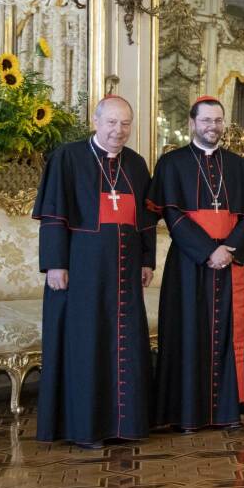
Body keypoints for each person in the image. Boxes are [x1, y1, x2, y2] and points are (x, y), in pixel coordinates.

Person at [33, 96, 157, 448]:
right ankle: (85, 427)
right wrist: (55, 263)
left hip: (125, 270)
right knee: (86, 343)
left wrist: (147, 260)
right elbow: (54, 213)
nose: (119, 131)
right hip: (82, 270)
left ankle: (126, 424)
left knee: (126, 343)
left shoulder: (136, 163)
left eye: (125, 124)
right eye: (112, 123)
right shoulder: (67, 158)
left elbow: (145, 220)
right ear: (96, 120)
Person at [147, 96, 244, 432]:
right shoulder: (171, 164)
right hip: (187, 263)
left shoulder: (238, 166)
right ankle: (185, 414)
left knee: (228, 332)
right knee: (186, 333)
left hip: (229, 262)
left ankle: (226, 411)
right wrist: (206, 251)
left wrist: (229, 248)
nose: (213, 127)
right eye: (207, 121)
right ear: (192, 123)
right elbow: (171, 213)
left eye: (218, 121)